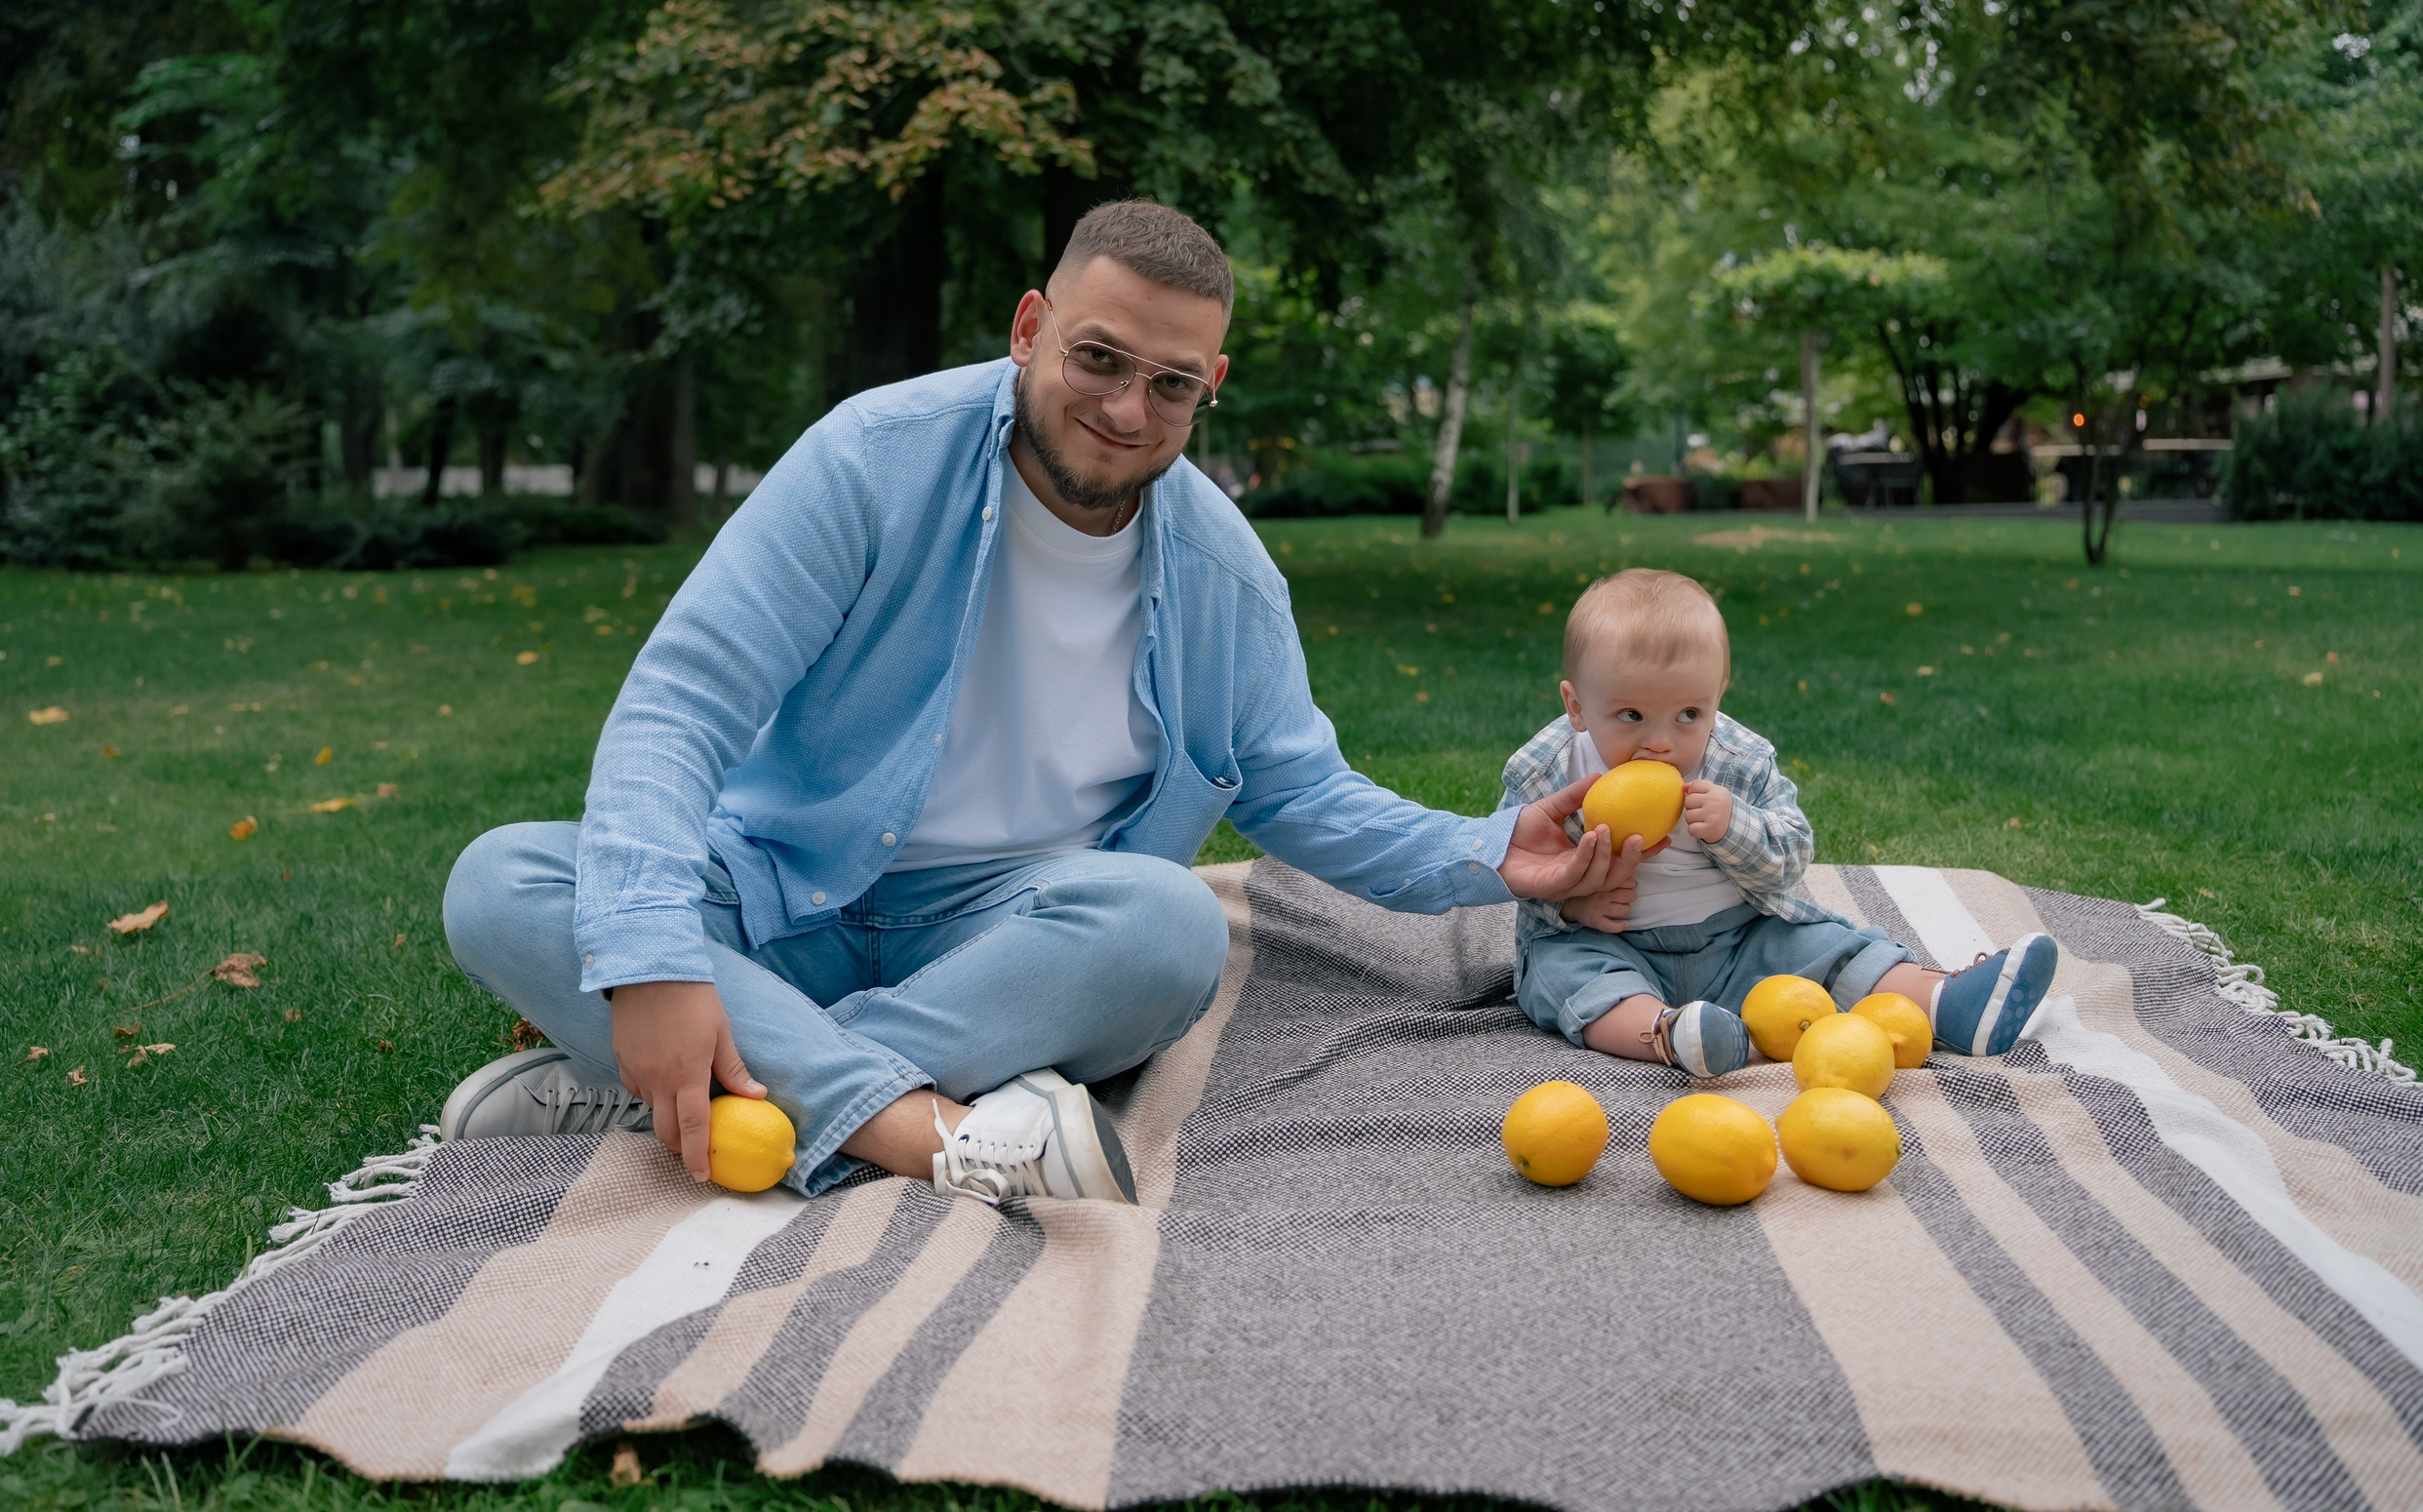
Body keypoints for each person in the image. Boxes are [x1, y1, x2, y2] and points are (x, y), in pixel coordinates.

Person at [439, 201, 1619, 1205]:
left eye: (1168, 386)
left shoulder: (1224, 574)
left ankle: (702, 1089)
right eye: (1097, 359)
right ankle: (914, 1134)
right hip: (776, 886)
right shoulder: (869, 461)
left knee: (1168, 926)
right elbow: (682, 703)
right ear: (1028, 327)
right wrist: (651, 954)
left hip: (1003, 934)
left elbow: (1298, 787)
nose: (1123, 409)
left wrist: (1484, 851)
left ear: (1207, 388)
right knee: (504, 881)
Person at [1500, 568, 2057, 1075]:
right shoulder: (1546, 770)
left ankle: (1946, 1005)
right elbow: (1507, 862)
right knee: (1568, 975)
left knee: (1824, 946)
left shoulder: (1738, 762)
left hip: (1740, 937)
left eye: (1689, 714)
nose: (1662, 742)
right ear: (1577, 707)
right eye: (1631, 716)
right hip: (1607, 944)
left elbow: (1791, 857)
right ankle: (1673, 1036)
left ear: (1717, 699)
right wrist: (1572, 905)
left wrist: (1732, 824)